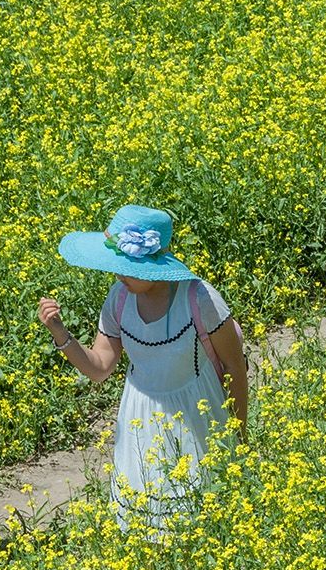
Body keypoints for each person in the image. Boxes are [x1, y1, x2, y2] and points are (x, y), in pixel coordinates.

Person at [37, 204, 247, 531]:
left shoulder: (200, 298)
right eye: (115, 266)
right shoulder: (119, 299)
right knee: (147, 523)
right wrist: (59, 332)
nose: (119, 274)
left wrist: (238, 434)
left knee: (208, 519)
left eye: (127, 267)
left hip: (198, 414)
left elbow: (235, 366)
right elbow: (99, 367)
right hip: (140, 417)